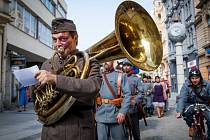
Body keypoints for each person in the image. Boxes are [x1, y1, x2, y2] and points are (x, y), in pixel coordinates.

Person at [34, 18, 102, 140]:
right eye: (54, 39)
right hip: (51, 130)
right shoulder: (47, 64)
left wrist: (56, 79)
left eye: (63, 39)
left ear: (75, 38)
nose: (57, 44)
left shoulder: (89, 61)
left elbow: (93, 87)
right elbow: (38, 100)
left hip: (79, 130)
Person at [95, 61, 131, 140]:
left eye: (108, 60)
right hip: (101, 115)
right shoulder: (98, 76)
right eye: (104, 60)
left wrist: (122, 112)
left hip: (116, 115)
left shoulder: (120, 75)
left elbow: (127, 95)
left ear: (113, 61)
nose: (105, 62)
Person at [176, 68, 210, 138]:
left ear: (200, 77)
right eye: (192, 78)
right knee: (186, 113)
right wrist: (179, 111)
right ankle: (191, 125)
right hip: (191, 104)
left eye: (197, 78)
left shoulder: (207, 84)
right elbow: (182, 97)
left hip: (205, 104)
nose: (194, 80)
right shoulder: (186, 85)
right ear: (190, 78)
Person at [123, 61, 142, 140]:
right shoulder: (119, 77)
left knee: (135, 132)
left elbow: (142, 93)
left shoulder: (136, 79)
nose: (126, 67)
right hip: (120, 109)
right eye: (124, 65)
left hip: (132, 109)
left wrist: (135, 100)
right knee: (123, 132)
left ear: (131, 67)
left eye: (128, 65)